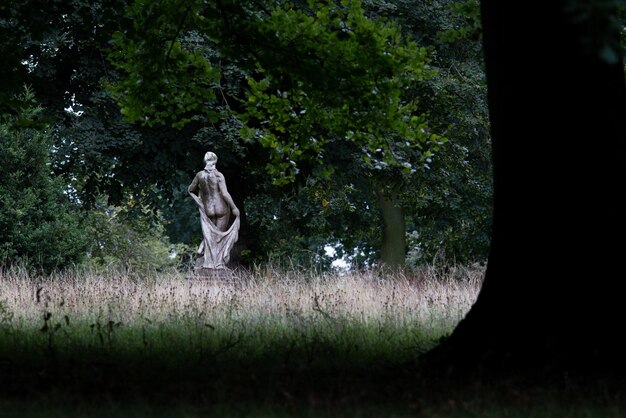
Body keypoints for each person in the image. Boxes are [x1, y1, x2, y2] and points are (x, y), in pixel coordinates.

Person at [188, 152, 240, 271]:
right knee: (218, 237)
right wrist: (234, 207)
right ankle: (217, 264)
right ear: (215, 161)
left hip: (208, 210)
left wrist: (199, 200)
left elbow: (190, 190)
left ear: (205, 161)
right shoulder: (218, 176)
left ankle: (203, 252)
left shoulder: (199, 175)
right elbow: (225, 194)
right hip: (221, 208)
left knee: (209, 235)